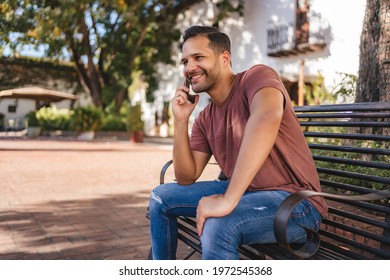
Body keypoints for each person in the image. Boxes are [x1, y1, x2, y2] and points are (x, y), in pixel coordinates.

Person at [148, 25, 327, 260]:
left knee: (218, 225)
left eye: (198, 57)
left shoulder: (257, 77)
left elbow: (266, 117)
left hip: (295, 201)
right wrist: (181, 121)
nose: (189, 68)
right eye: (184, 62)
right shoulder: (205, 117)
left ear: (224, 58)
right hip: (247, 193)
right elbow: (186, 176)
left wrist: (227, 199)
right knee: (160, 198)